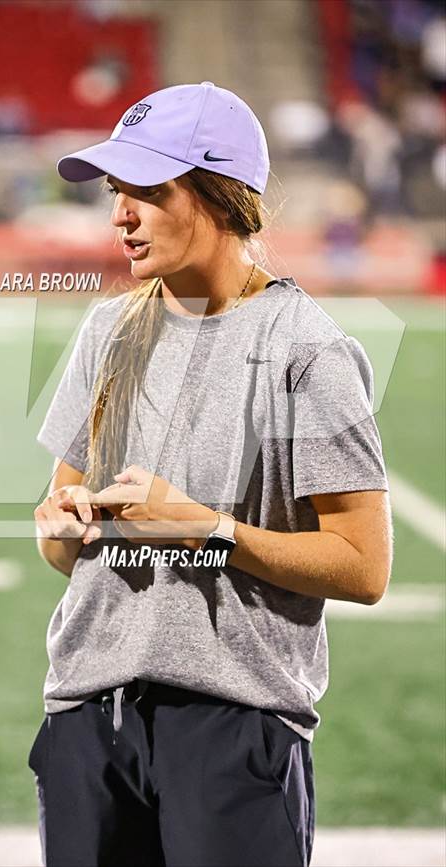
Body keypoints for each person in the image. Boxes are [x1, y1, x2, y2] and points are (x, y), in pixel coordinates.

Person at [30, 82, 393, 867]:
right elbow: (62, 548)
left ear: (221, 194)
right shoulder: (108, 330)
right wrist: (61, 526)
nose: (120, 214)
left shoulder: (308, 350)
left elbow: (364, 566)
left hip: (236, 723)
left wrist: (207, 528)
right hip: (87, 716)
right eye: (116, 191)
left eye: (147, 190)